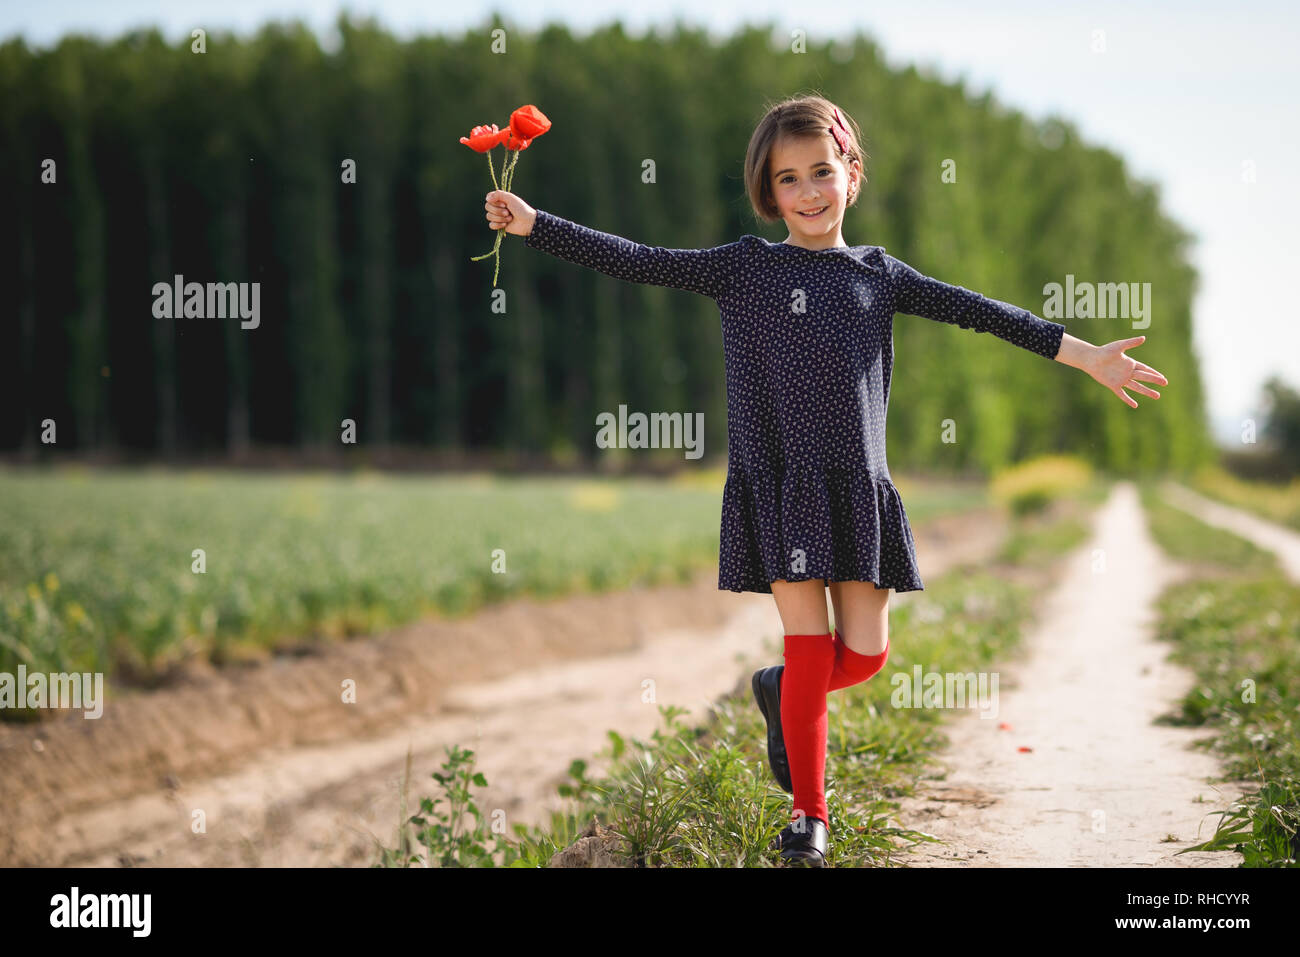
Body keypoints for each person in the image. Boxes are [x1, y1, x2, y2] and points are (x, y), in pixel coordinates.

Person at [481, 93, 1168, 867]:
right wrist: (537, 223)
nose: (808, 192)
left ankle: (778, 691)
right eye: (788, 180)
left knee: (866, 657)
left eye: (821, 172)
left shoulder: (881, 275)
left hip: (857, 487)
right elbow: (642, 260)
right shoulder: (745, 268)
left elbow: (986, 313)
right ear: (767, 193)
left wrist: (1086, 356)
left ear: (851, 173)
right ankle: (811, 817)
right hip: (780, 486)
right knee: (811, 649)